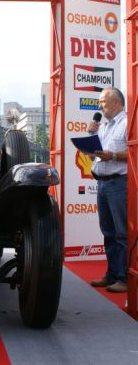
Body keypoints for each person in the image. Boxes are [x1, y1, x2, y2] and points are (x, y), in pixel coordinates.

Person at [88, 87, 128, 293]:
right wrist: (89, 143)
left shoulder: (129, 123)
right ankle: (112, 274)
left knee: (122, 233)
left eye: (103, 101)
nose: (100, 105)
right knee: (108, 232)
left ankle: (124, 278)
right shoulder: (102, 127)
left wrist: (111, 156)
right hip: (102, 183)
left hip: (119, 183)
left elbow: (133, 152)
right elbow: (94, 157)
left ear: (116, 102)